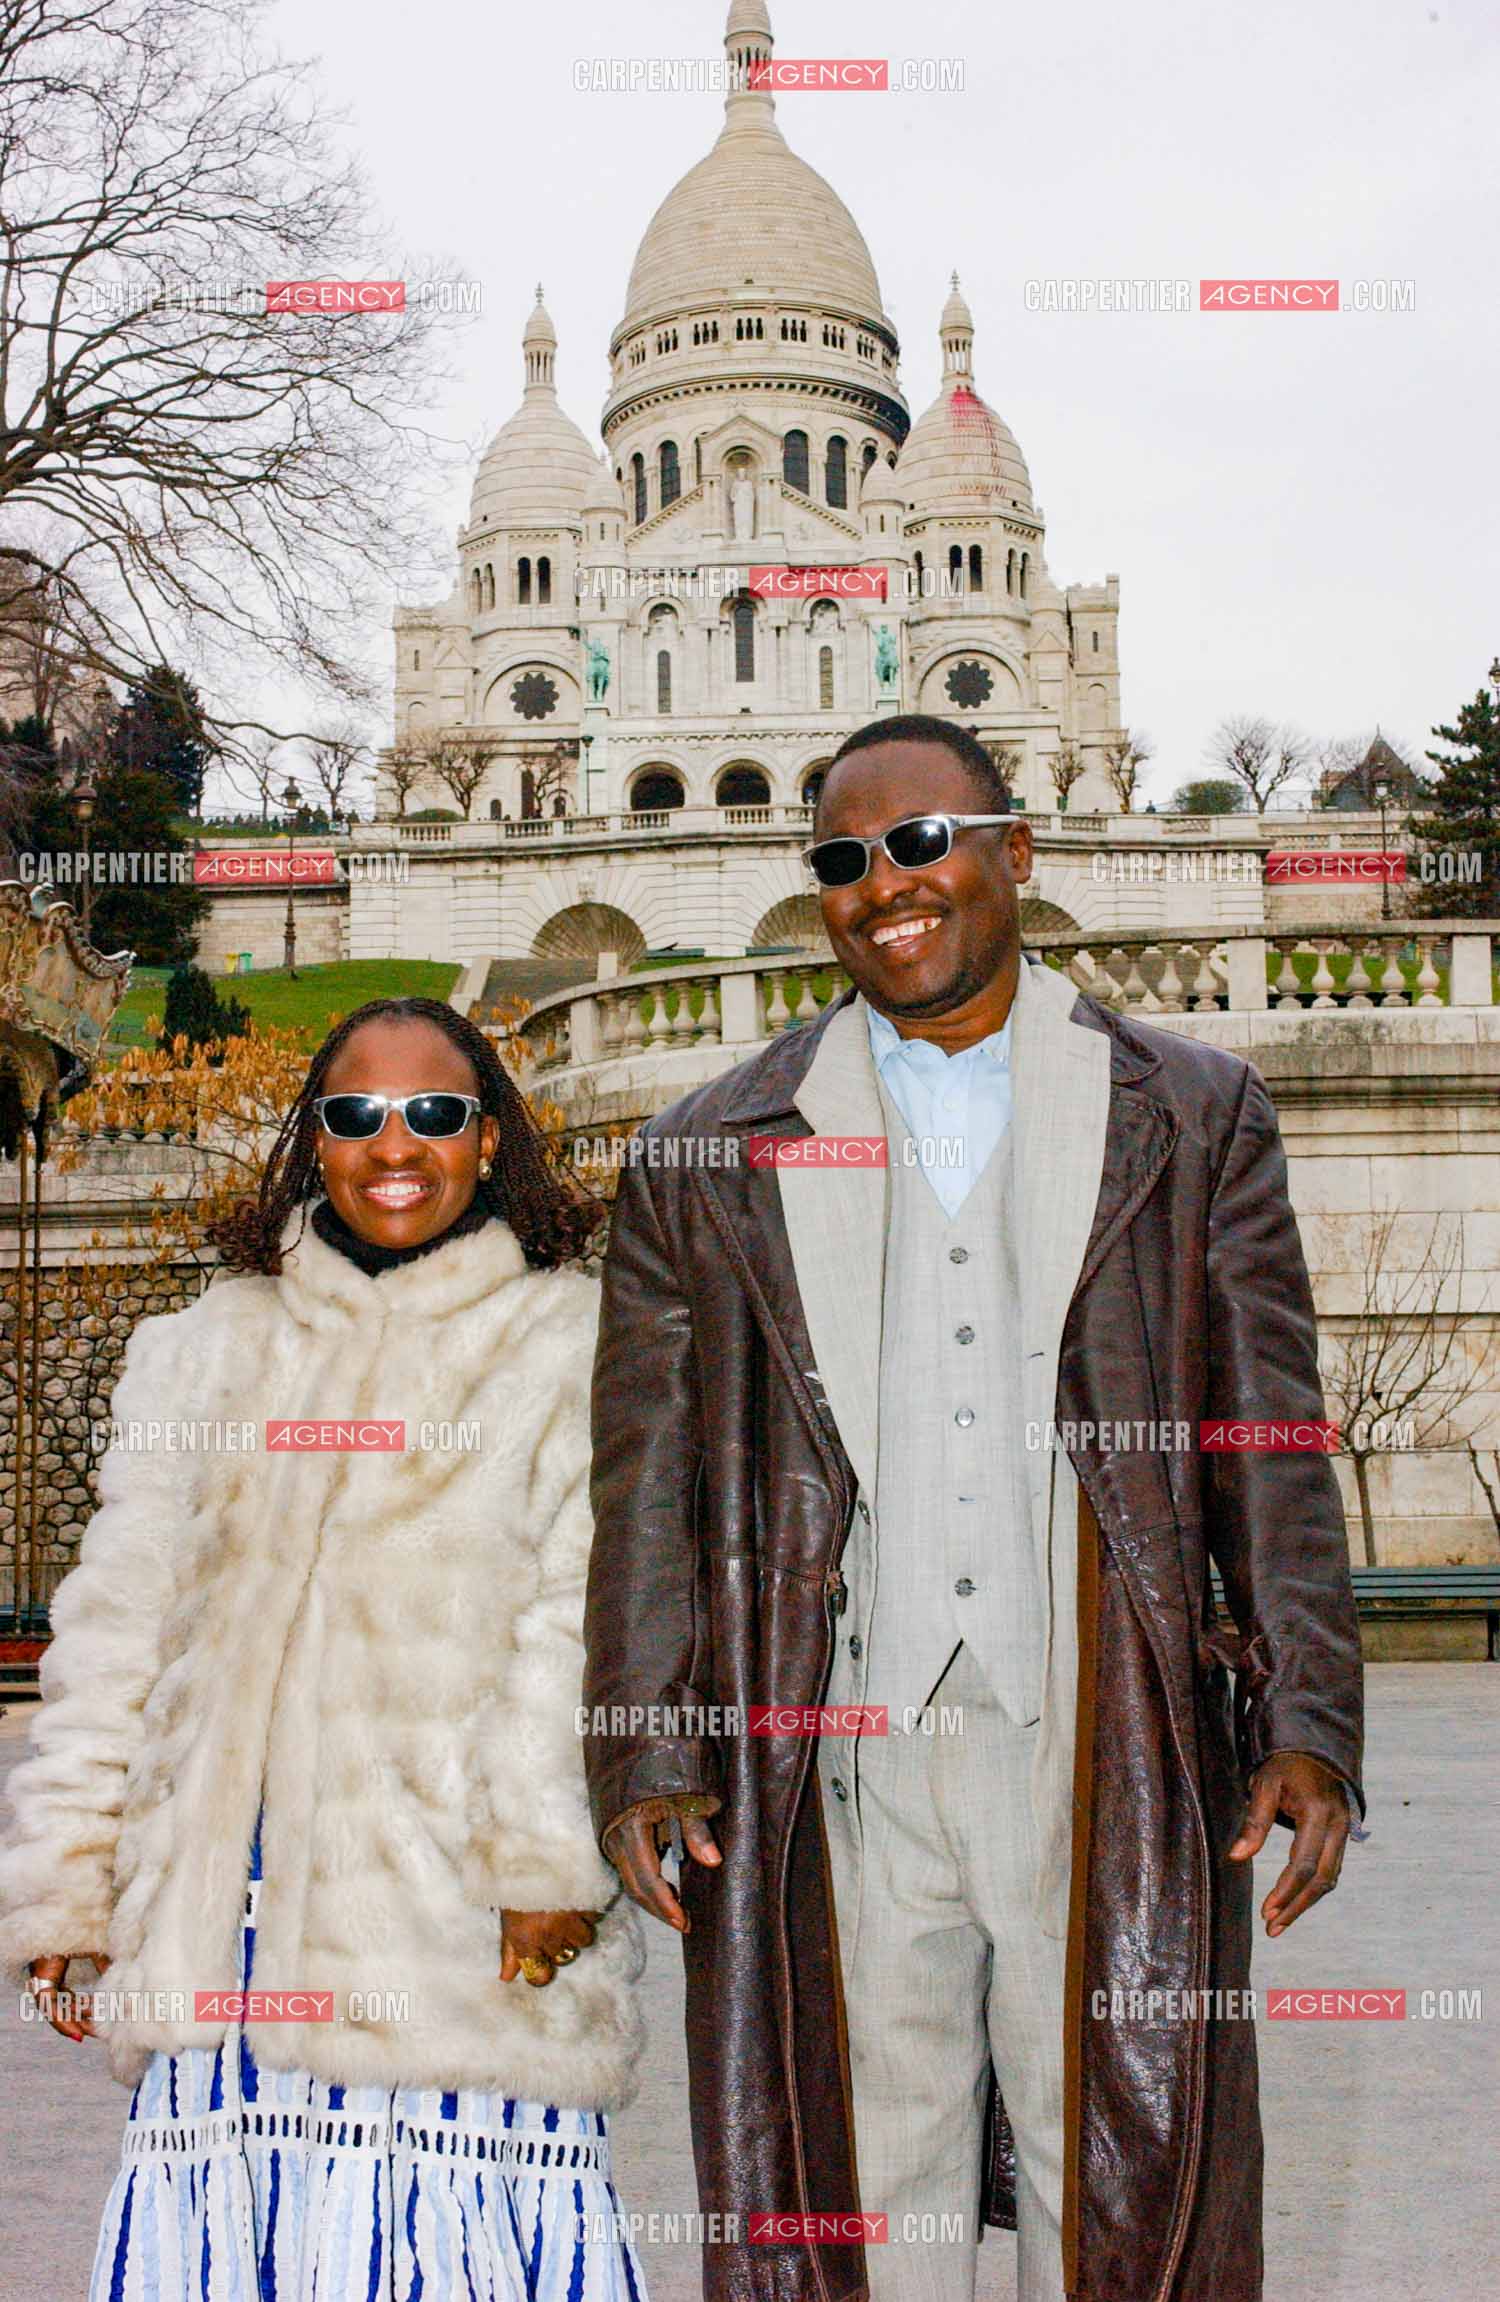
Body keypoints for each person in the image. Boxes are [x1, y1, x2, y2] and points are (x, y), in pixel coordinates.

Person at [583, 715, 1364, 2302]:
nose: (887, 885)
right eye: (843, 860)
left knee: (1124, 2166)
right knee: (866, 2187)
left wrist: (1308, 1711)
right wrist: (650, 1739)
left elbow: (1268, 1433)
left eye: (923, 839)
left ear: (1018, 848)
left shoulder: (1195, 1110)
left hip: (1104, 1723)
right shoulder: (703, 1152)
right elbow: (646, 1478)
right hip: (829, 1745)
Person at [0, 996, 650, 2302]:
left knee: (462, 2232)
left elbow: (583, 1610)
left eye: (434, 1110)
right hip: (229, 1920)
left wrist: (547, 1860)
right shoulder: (202, 1352)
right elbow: (119, 1633)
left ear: (488, 1141)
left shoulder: (568, 1340)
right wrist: (70, 1887)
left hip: (461, 1918)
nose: (392, 1140)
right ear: (312, 1141)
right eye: (354, 1113)